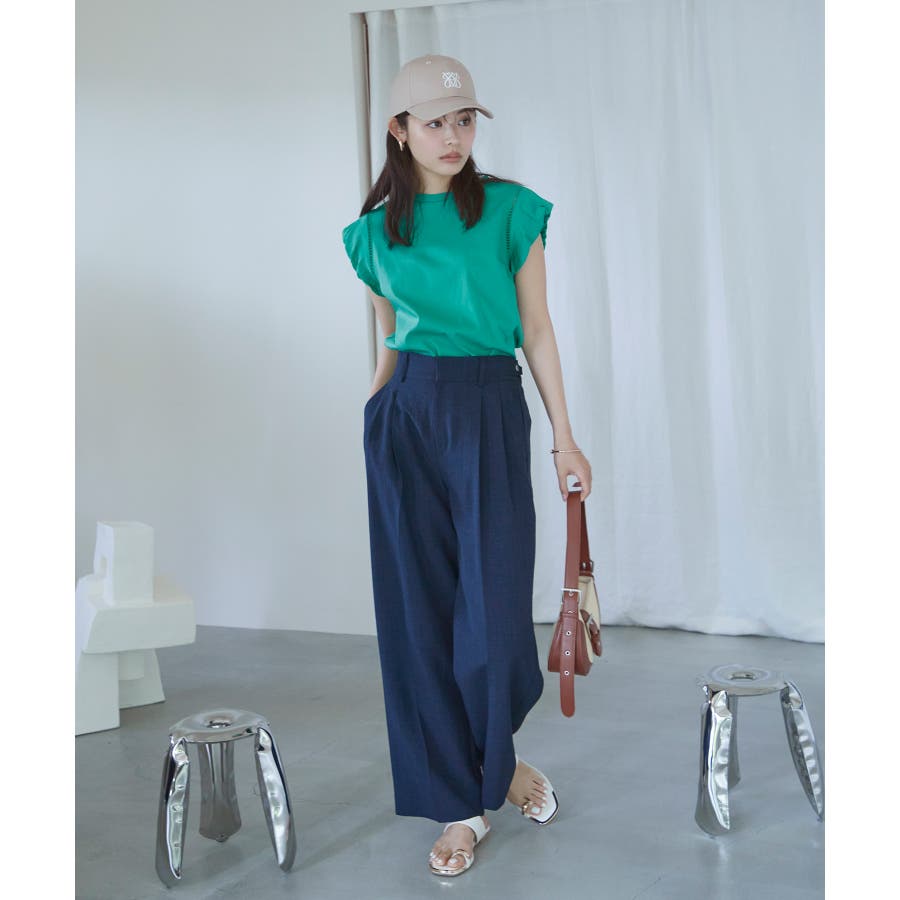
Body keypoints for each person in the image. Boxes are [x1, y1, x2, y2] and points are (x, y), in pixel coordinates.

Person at [341, 53, 592, 877]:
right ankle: (461, 807)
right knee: (418, 619)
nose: (453, 137)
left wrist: (564, 438)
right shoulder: (372, 234)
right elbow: (388, 341)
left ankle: (497, 760)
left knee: (491, 620)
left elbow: (538, 330)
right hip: (406, 412)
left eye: (464, 121)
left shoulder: (513, 211)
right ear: (399, 129)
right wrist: (374, 421)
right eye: (435, 122)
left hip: (487, 404)